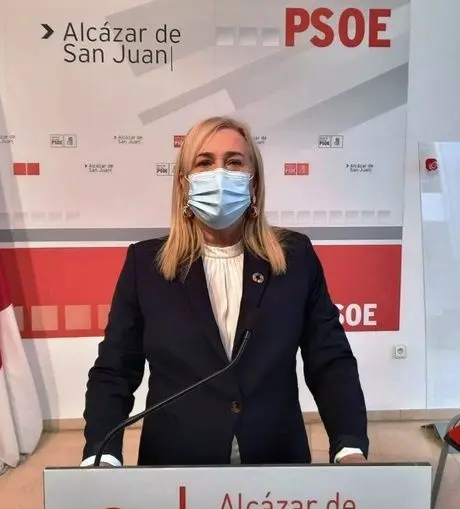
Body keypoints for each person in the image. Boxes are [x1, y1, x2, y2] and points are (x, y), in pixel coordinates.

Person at [81, 116, 368, 467]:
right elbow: (115, 371)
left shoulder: (296, 257)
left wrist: (349, 445)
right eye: (204, 163)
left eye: (234, 162)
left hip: (275, 461)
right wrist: (101, 455)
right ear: (184, 183)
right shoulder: (145, 264)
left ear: (253, 181)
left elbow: (330, 360)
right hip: (176, 462)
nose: (220, 174)